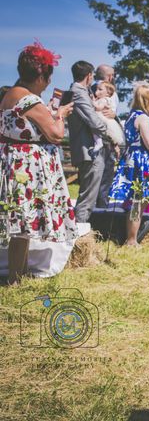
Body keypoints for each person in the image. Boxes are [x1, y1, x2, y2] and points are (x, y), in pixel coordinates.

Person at [0, 42, 76, 285]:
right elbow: (55, 134)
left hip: (12, 161)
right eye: (48, 77)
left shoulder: (11, 93)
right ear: (41, 75)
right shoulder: (29, 99)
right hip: (25, 167)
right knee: (22, 222)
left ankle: (18, 274)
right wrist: (61, 115)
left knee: (20, 222)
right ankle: (15, 278)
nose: (48, 83)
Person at [109, 84, 149, 246]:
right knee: (138, 201)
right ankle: (131, 240)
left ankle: (131, 237)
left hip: (131, 159)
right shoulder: (143, 118)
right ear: (148, 101)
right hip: (142, 161)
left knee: (136, 200)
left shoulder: (131, 116)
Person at [67, 61, 118, 223]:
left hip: (91, 149)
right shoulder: (78, 92)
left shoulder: (83, 91)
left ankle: (83, 229)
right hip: (89, 151)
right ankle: (80, 234)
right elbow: (93, 121)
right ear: (89, 76)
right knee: (88, 197)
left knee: (90, 194)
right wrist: (111, 132)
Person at [92, 64, 120, 209]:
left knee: (94, 178)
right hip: (105, 139)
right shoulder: (109, 92)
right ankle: (102, 209)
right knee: (105, 177)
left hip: (92, 139)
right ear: (110, 77)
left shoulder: (91, 89)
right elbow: (110, 115)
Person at [92, 81, 125, 149]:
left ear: (107, 93)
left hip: (101, 118)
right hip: (101, 118)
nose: (97, 91)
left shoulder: (104, 100)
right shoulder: (99, 99)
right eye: (97, 89)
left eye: (100, 89)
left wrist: (92, 102)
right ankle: (98, 142)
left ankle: (99, 142)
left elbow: (99, 108)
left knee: (97, 130)